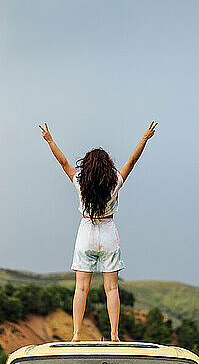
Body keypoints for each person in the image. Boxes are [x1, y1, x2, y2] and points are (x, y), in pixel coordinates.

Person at [39, 121, 158, 342]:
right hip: (108, 233)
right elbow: (132, 161)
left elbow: (63, 162)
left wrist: (50, 140)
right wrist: (144, 138)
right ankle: (114, 335)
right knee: (112, 289)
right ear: (107, 166)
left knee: (81, 289)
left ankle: (75, 335)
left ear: (87, 166)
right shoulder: (115, 183)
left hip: (86, 233)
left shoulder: (80, 183)